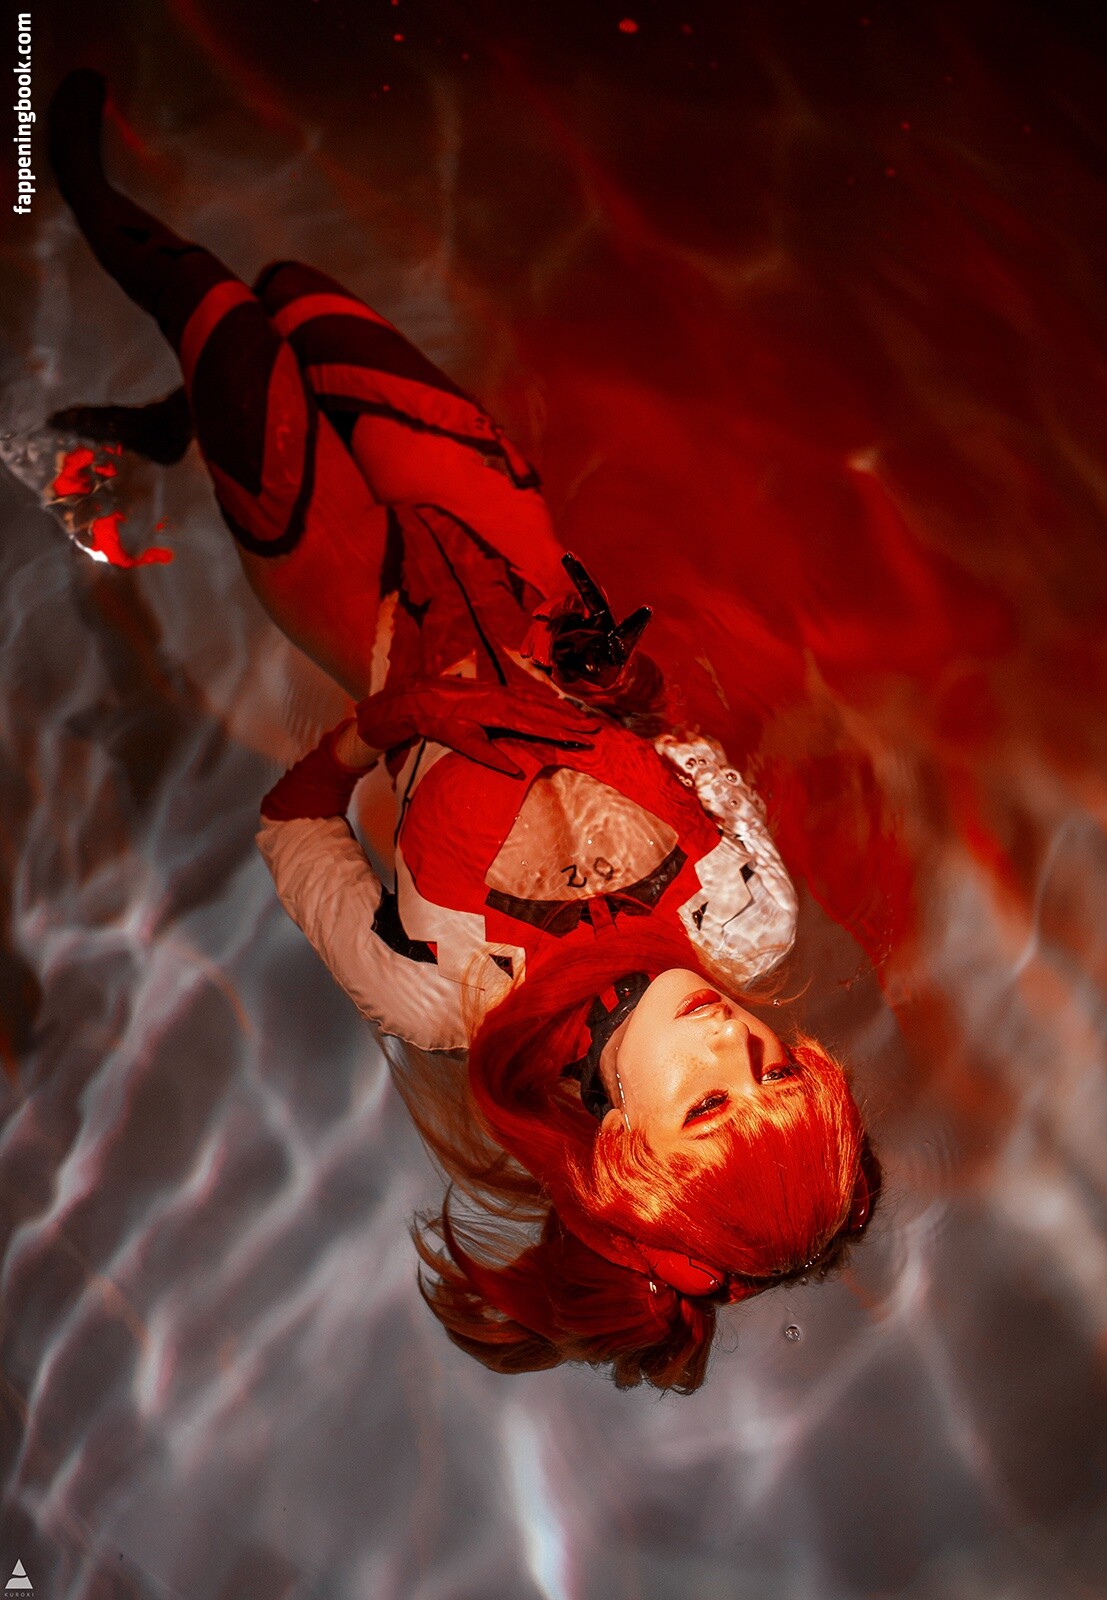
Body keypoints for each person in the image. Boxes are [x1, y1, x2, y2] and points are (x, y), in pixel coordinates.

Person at [46, 70, 878, 1394]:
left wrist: (380, 728)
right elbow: (684, 749)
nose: (733, 1039)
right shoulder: (750, 920)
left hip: (354, 597)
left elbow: (289, 828)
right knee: (299, 296)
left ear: (623, 1153)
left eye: (712, 1099)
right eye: (774, 1067)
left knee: (215, 308)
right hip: (513, 554)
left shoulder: (441, 999)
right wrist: (621, 694)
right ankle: (173, 420)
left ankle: (66, 179)